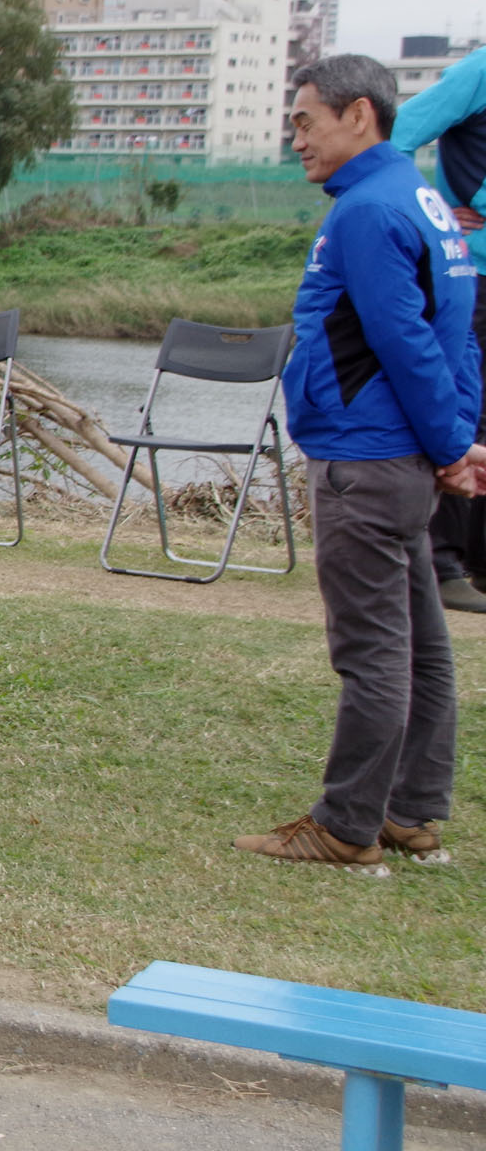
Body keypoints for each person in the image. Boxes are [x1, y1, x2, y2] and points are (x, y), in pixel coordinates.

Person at [239, 55, 486, 870]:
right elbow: (457, 338)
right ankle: (412, 813)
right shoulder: (425, 203)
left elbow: (407, 342)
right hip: (400, 456)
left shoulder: (368, 212)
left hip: (366, 460)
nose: (296, 137)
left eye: (306, 120)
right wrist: (454, 440)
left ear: (357, 116)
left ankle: (347, 826)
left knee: (373, 651)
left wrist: (450, 445)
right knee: (420, 642)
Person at [388, 47, 486, 612]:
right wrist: (436, 209)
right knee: (460, 407)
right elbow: (397, 136)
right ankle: (442, 561)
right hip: (472, 271)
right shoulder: (478, 73)